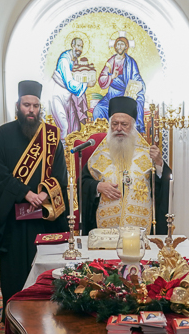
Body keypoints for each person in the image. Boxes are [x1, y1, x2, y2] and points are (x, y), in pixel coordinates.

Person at [0, 80, 69, 310]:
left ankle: (46, 315)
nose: (31, 110)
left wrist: (44, 194)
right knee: (15, 271)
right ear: (18, 106)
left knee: (45, 271)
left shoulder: (51, 136)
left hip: (44, 218)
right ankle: (14, 315)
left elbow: (60, 174)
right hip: (14, 219)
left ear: (40, 108)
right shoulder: (3, 134)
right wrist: (25, 193)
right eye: (26, 105)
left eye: (35, 106)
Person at [80, 96, 171, 234]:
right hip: (105, 231)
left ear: (133, 126)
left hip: (140, 230)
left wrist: (159, 163)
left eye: (124, 124)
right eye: (114, 124)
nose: (119, 128)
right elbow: (83, 183)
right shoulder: (99, 155)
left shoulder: (147, 153)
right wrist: (98, 186)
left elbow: (163, 186)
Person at [93, 36, 147, 132]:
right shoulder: (110, 61)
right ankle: (102, 137)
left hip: (126, 97)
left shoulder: (131, 62)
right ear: (115, 46)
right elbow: (102, 79)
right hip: (111, 97)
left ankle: (133, 135)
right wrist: (112, 77)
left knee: (136, 106)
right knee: (98, 109)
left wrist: (139, 85)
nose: (120, 47)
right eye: (118, 44)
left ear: (126, 46)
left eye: (122, 44)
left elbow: (136, 77)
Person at [46, 36, 94, 138]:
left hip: (68, 97)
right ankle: (62, 148)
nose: (79, 49)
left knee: (75, 127)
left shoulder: (75, 61)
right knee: (64, 126)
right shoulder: (64, 60)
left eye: (81, 47)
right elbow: (70, 84)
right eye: (78, 46)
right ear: (72, 45)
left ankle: (71, 148)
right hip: (57, 95)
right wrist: (86, 84)